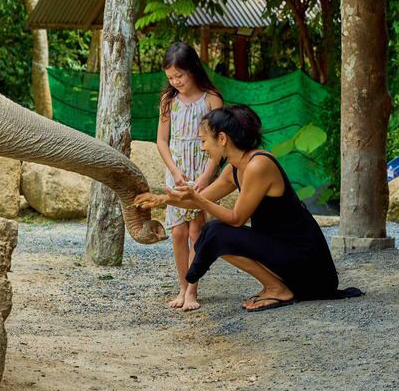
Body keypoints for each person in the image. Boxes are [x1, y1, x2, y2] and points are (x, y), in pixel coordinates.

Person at [135, 105, 362, 312]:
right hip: (284, 251)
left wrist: (198, 200)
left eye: (204, 141)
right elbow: (198, 198)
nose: (202, 148)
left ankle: (279, 290)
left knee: (215, 232)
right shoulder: (234, 167)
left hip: (310, 267)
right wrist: (160, 200)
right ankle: (276, 286)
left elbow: (235, 219)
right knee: (212, 232)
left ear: (222, 138)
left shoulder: (258, 165)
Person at [156, 42, 223, 311]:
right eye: (171, 78)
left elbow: (220, 144)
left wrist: (206, 178)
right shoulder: (168, 100)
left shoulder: (211, 99)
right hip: (177, 172)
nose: (176, 82)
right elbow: (161, 141)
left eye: (179, 76)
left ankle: (193, 290)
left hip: (201, 172)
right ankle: (182, 287)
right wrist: (174, 171)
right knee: (177, 232)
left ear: (193, 69)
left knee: (197, 230)